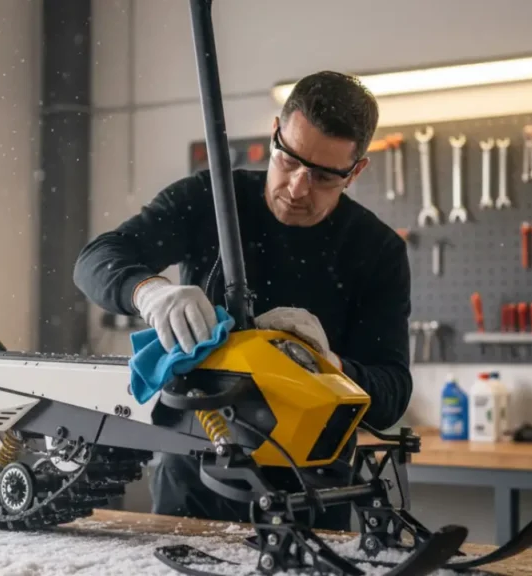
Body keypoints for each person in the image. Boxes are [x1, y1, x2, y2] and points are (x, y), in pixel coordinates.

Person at [72, 70, 412, 531]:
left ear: (356, 171)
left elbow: (392, 392)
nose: (297, 188)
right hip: (194, 481)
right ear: (275, 133)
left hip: (310, 497)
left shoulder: (377, 252)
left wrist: (331, 365)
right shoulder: (211, 198)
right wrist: (150, 292)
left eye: (324, 176)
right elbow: (95, 260)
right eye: (289, 160)